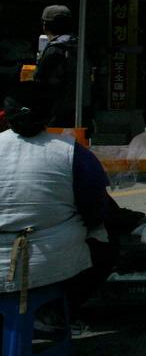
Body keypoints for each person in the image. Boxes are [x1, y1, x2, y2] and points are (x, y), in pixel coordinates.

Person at [0, 82, 113, 330]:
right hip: (50, 265)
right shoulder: (71, 152)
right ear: (50, 117)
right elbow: (95, 211)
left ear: (4, 115)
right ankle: (57, 310)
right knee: (105, 247)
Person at [34, 4, 90, 129]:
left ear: (45, 25)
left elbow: (42, 82)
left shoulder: (55, 49)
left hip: (59, 111)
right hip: (82, 109)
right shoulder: (79, 44)